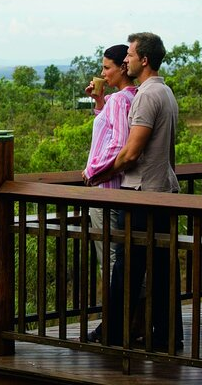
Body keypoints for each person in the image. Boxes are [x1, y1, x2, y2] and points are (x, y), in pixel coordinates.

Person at [95, 32, 183, 349]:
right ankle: (167, 336)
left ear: (143, 60)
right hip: (162, 191)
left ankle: (115, 335)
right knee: (161, 270)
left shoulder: (146, 96)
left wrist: (98, 171)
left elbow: (131, 153)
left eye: (130, 55)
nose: (127, 59)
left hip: (142, 193)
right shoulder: (166, 92)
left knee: (126, 271)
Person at [81, 45, 136, 279]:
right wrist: (99, 101)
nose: (103, 73)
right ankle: (127, 314)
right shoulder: (129, 97)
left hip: (107, 190)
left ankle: (115, 314)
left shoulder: (119, 100)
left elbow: (117, 144)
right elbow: (109, 131)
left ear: (122, 68)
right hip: (123, 189)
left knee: (110, 260)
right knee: (124, 258)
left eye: (106, 67)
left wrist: (92, 170)